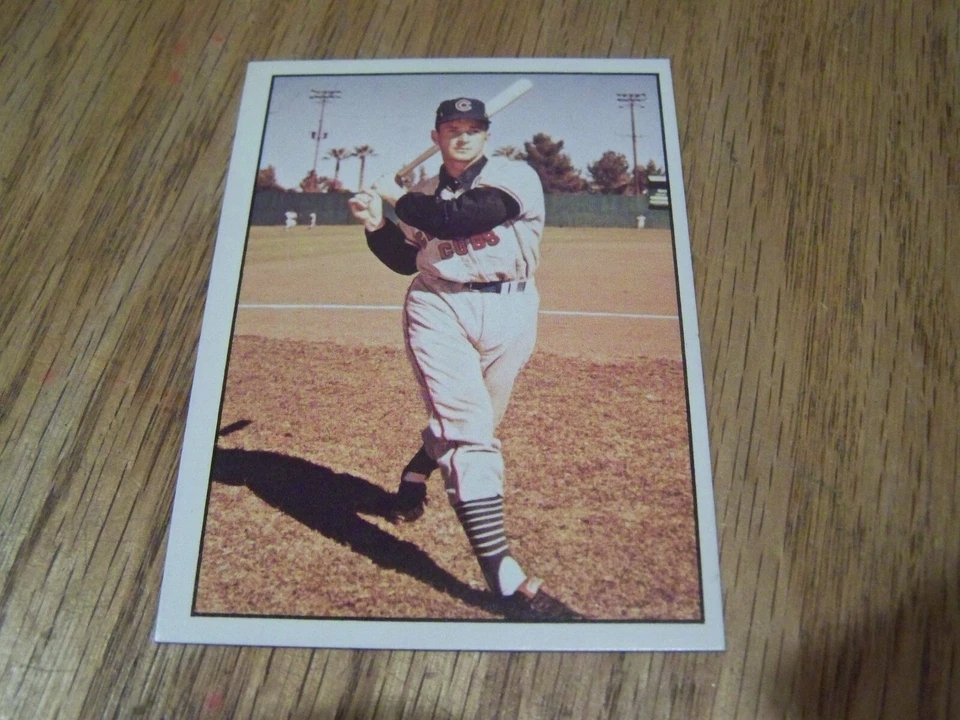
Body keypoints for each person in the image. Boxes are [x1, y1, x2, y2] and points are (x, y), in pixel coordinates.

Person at [348, 97, 581, 619]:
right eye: (452, 128)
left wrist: (396, 198)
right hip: (439, 305)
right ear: (436, 137)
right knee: (470, 429)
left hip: (512, 306)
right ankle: (505, 579)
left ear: (485, 135)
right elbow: (406, 259)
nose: (462, 137)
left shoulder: (514, 176)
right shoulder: (423, 193)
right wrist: (374, 224)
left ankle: (417, 469)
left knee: (481, 419)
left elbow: (462, 218)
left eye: (473, 128)